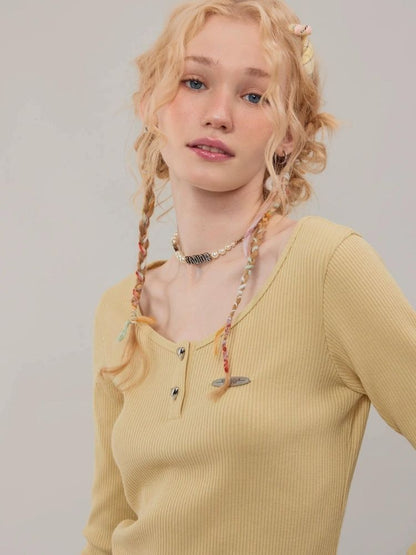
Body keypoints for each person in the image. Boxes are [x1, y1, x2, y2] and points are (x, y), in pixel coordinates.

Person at [81, 1, 416, 553]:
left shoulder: (326, 267)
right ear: (149, 103)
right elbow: (103, 534)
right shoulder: (121, 311)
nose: (218, 114)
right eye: (194, 82)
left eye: (254, 95)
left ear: (289, 135)